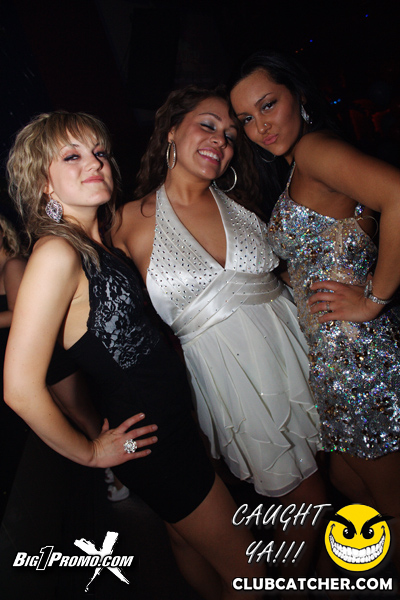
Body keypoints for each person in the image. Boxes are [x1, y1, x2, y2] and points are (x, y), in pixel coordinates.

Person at [5, 110, 265, 600]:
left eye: (99, 152)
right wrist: (90, 452)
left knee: (188, 546)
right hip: (153, 443)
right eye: (72, 156)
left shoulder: (92, 243)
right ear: (43, 182)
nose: (95, 163)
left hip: (167, 425)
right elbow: (20, 388)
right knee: (250, 576)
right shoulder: (56, 254)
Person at [112, 86, 328, 578]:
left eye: (230, 135)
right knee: (305, 498)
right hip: (226, 379)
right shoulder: (125, 222)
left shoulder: (243, 204)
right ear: (171, 131)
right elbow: (91, 306)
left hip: (297, 355)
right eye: (208, 125)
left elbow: (286, 275)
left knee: (331, 480)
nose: (221, 141)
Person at [230, 49, 400, 565]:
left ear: (299, 97)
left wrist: (373, 300)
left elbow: (398, 193)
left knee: (389, 502)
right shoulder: (297, 165)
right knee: (348, 479)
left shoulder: (314, 149)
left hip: (356, 355)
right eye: (246, 118)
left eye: (268, 105)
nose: (260, 126)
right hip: (334, 354)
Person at [0, 212, 27, 520]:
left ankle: (117, 472)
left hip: (47, 360)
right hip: (21, 359)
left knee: (83, 415)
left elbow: (19, 313)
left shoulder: (13, 264)